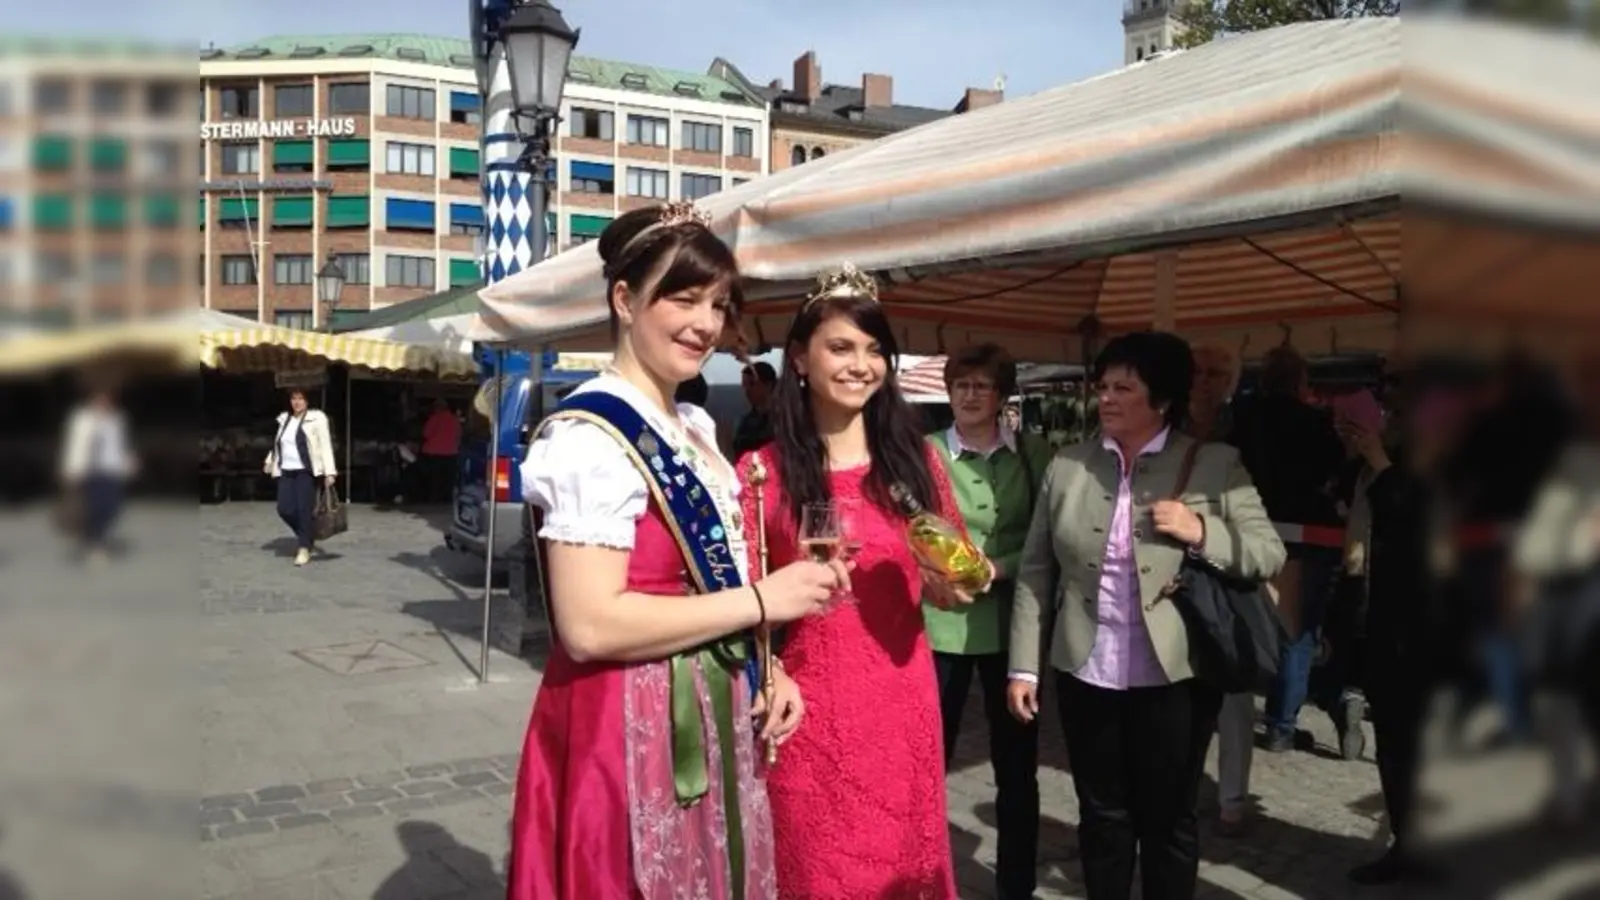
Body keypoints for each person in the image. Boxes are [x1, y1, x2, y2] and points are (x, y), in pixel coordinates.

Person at [508, 203, 847, 900]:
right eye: (684, 297)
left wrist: (766, 665)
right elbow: (589, 626)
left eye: (719, 304)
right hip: (623, 721)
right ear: (625, 299)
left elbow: (704, 582)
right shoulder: (588, 438)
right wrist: (761, 600)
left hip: (714, 702)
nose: (706, 323)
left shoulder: (690, 425)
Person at [1008, 331, 1285, 900]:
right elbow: (1037, 570)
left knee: (1168, 820)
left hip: (1176, 677)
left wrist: (1201, 531)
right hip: (1087, 670)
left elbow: (1267, 553)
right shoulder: (1068, 466)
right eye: (1103, 386)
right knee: (1101, 816)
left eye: (1123, 388)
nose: (1106, 398)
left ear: (1161, 399)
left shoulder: (1214, 464)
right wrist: (1024, 668)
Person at [738, 264, 984, 899]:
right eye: (841, 347)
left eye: (874, 350)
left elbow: (946, 579)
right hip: (808, 706)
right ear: (799, 358)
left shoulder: (917, 460)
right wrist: (771, 671)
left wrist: (954, 584)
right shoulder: (761, 473)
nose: (861, 365)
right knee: (819, 870)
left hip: (902, 699)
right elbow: (734, 596)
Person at [925, 343, 1051, 900]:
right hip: (941, 628)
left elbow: (1051, 543)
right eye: (960, 385)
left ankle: (1016, 887)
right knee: (931, 764)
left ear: (1002, 395)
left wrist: (997, 569)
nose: (970, 395)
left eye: (981, 386)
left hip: (1012, 633)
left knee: (1017, 772)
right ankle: (927, 878)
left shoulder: (1035, 454)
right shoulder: (924, 453)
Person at [1228, 346, 1347, 753]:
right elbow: (1335, 470)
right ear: (1301, 383)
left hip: (1251, 528)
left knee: (1246, 622)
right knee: (1297, 632)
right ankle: (1281, 723)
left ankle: (1238, 710)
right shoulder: (1315, 422)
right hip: (1307, 534)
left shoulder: (1241, 417)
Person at [1186, 342, 1263, 837]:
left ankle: (1232, 800)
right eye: (1200, 371)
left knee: (1235, 699)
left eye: (1218, 372)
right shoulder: (1164, 427)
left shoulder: (1249, 433)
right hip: (1177, 582)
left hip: (1229, 583)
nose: (1207, 381)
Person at [58, 383, 138, 563]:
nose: (103, 402)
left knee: (112, 508)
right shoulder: (82, 419)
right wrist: (70, 470)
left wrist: (129, 463)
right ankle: (95, 544)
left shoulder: (117, 419)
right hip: (89, 471)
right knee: (93, 508)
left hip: (112, 469)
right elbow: (75, 445)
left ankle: (94, 539)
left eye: (107, 399)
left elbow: (121, 444)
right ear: (92, 399)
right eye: (100, 399)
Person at [263, 388, 337, 567]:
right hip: (286, 470)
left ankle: (303, 547)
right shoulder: (284, 420)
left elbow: (324, 445)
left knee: (304, 509)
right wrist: (270, 460)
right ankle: (308, 534)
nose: (297, 402)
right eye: (294, 399)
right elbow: (278, 444)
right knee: (284, 509)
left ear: (307, 402)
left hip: (306, 471)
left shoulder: (316, 419)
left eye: (300, 399)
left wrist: (330, 471)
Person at [419, 398, 461, 503]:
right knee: (448, 479)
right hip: (451, 453)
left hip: (434, 453)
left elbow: (426, 434)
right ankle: (447, 499)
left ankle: (434, 499)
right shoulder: (454, 420)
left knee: (434, 479)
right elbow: (459, 435)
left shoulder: (434, 418)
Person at [731, 361, 777, 457]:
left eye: (752, 384)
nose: (747, 390)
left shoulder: (785, 420)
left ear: (768, 385)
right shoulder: (745, 422)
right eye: (745, 385)